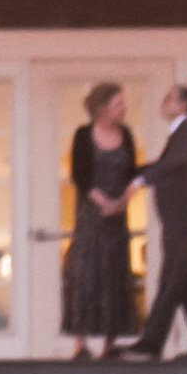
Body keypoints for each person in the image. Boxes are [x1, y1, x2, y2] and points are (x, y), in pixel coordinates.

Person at [131, 82, 187, 360]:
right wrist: (134, 172)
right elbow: (165, 164)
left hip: (183, 223)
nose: (164, 102)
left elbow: (171, 164)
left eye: (170, 98)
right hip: (178, 223)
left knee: (170, 283)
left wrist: (142, 179)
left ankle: (151, 342)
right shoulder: (180, 134)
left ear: (182, 105)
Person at [63, 80, 141, 359]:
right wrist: (103, 201)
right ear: (102, 108)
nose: (123, 109)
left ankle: (110, 342)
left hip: (117, 217)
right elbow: (79, 175)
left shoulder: (127, 134)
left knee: (114, 271)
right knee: (86, 272)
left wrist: (124, 199)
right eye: (118, 104)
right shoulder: (84, 135)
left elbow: (132, 172)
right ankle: (80, 342)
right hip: (90, 215)